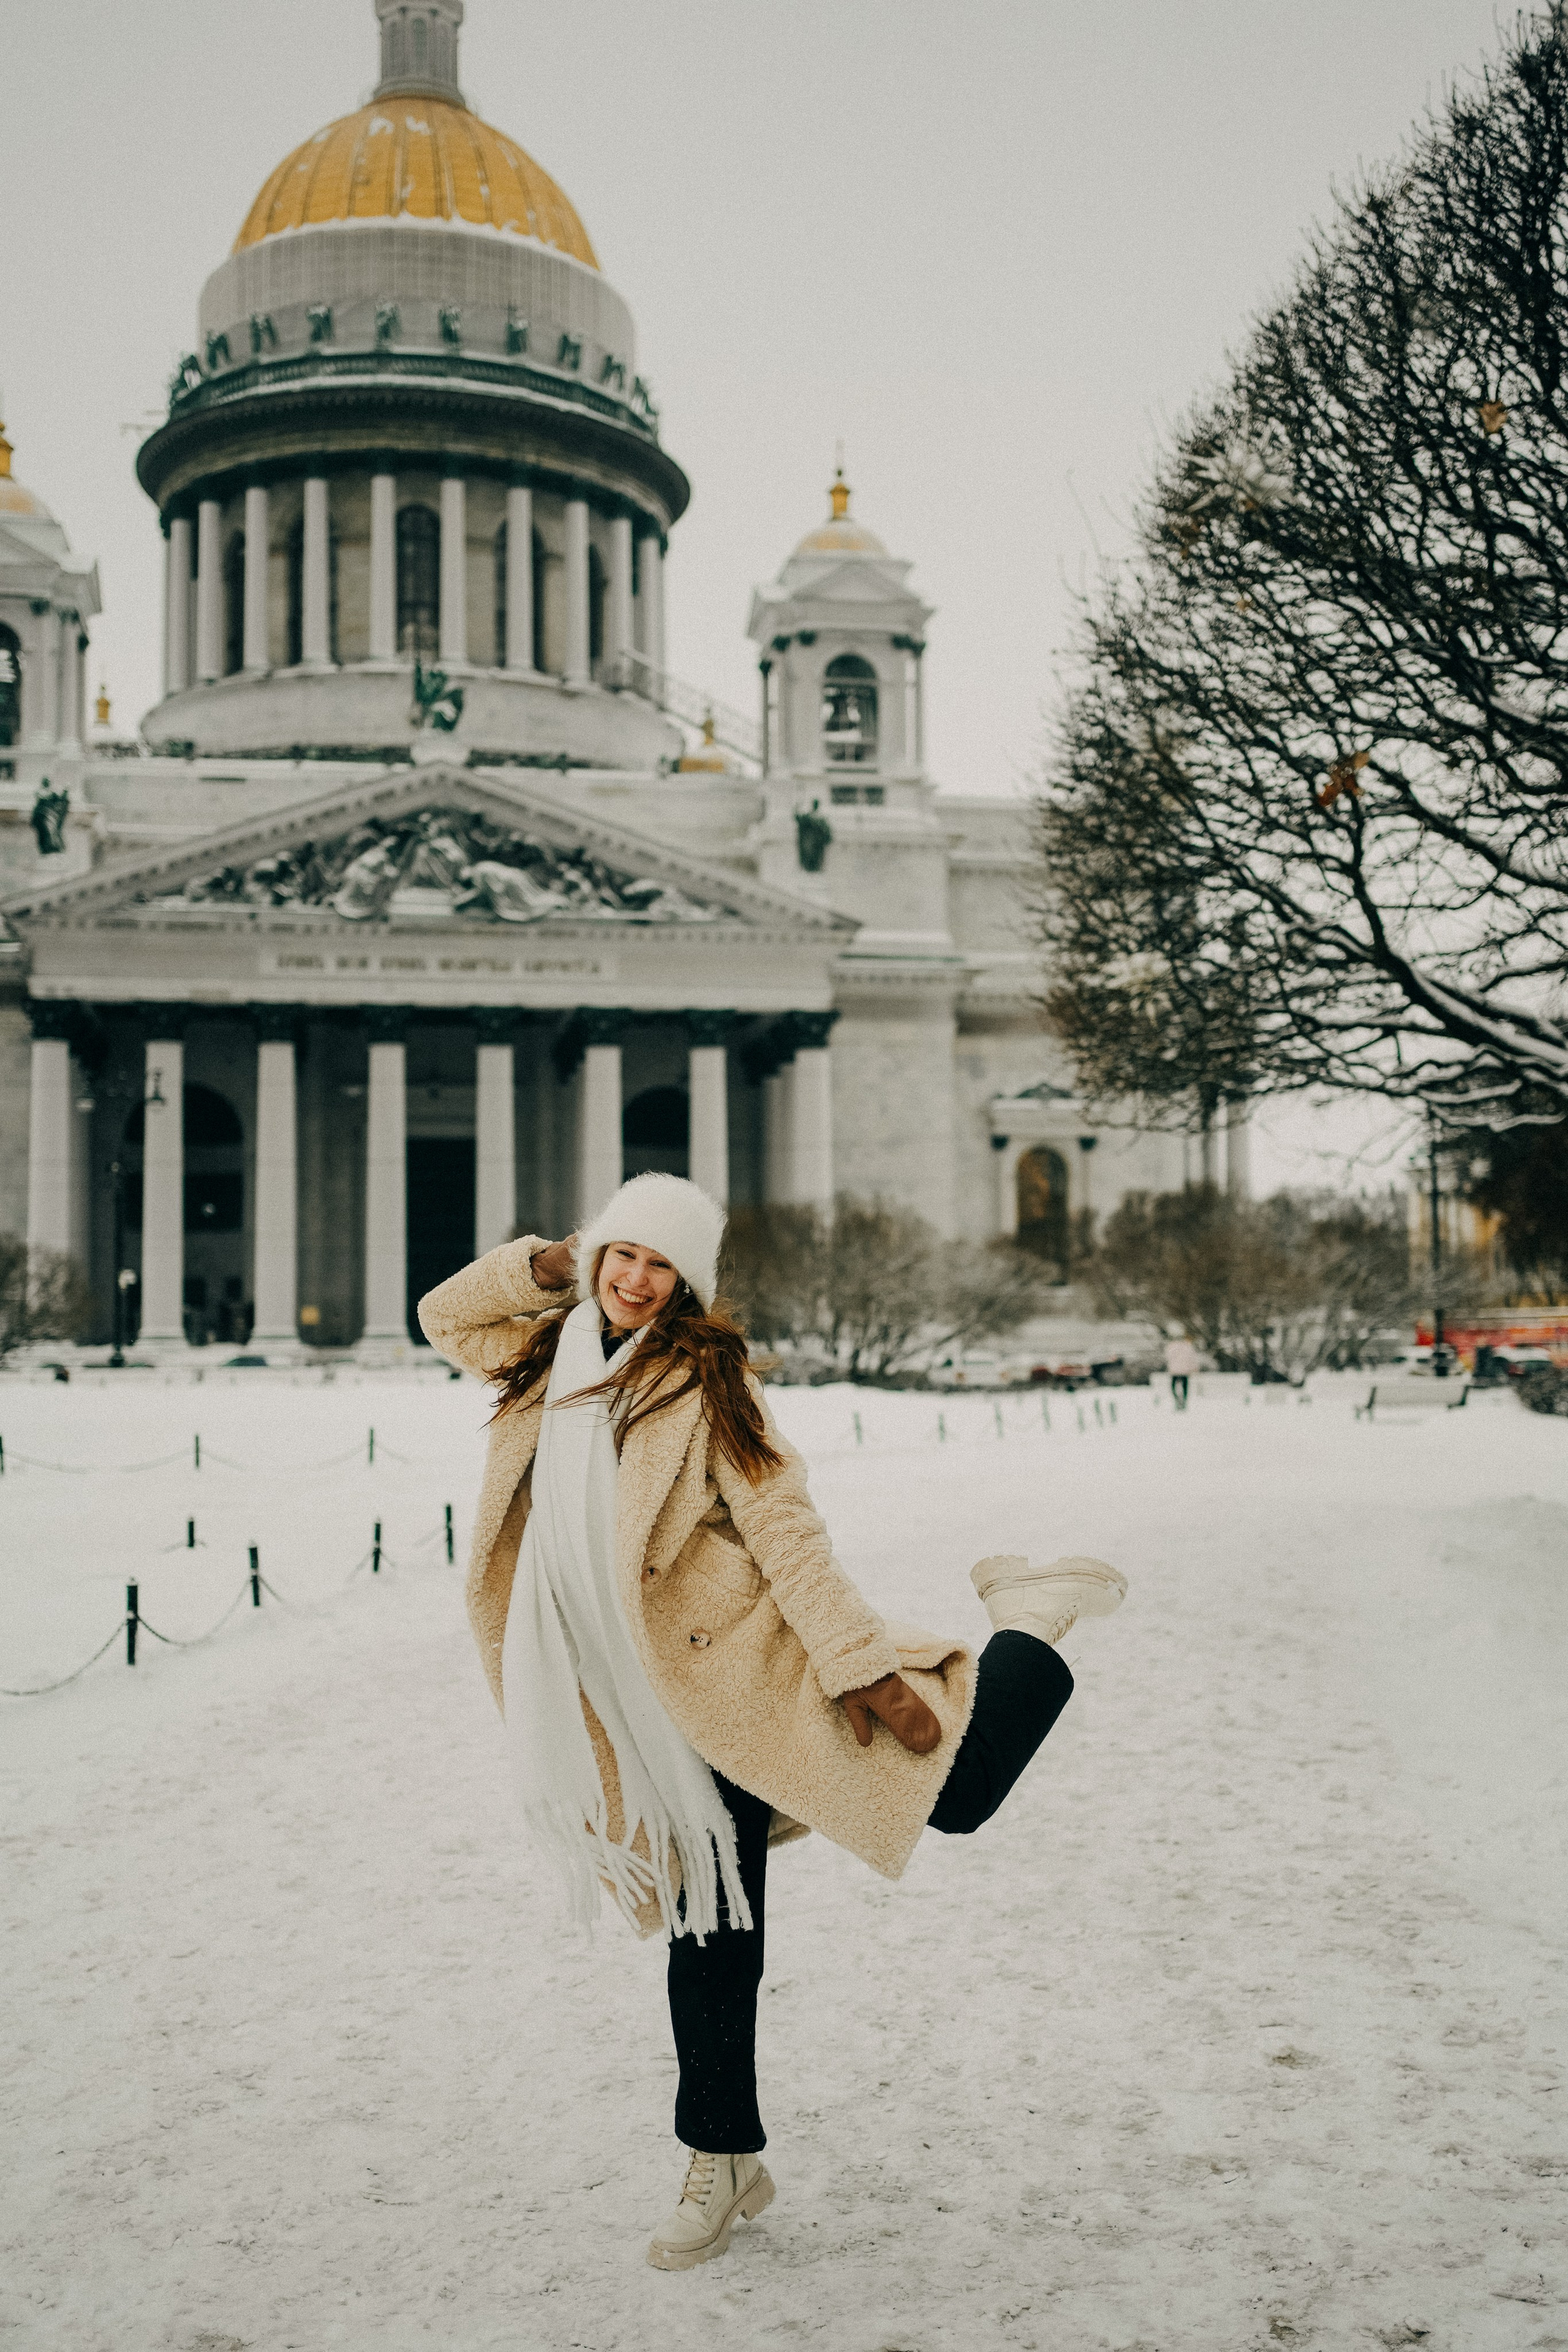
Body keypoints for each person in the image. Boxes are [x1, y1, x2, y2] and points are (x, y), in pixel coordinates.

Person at [419, 1174, 1126, 2272]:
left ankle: (1031, 1623)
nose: (636, 1279)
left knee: (963, 1796)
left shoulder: (708, 1384)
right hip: (631, 1712)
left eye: (661, 1265)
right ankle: (722, 2158)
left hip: (741, 1677)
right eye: (622, 1255)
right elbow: (445, 1315)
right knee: (711, 1941)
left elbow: (787, 1532)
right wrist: (547, 1263)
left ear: (687, 1284)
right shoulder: (535, 1370)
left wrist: (858, 1668)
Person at [1165, 1333, 1200, 1409]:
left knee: (1174, 1387)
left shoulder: (1171, 1346)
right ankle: (1183, 1401)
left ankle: (1178, 1401)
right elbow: (1193, 1359)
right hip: (1185, 1371)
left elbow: (1168, 1358)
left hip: (1175, 1371)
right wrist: (1194, 1368)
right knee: (1185, 1387)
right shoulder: (1188, 1347)